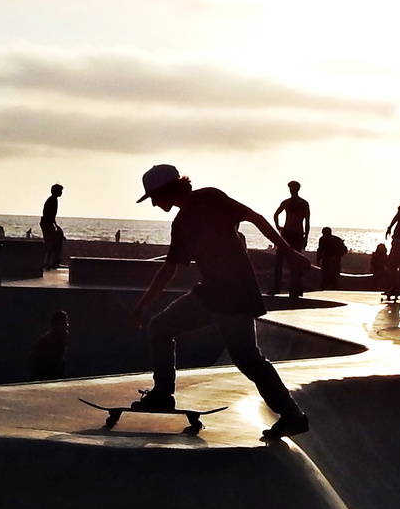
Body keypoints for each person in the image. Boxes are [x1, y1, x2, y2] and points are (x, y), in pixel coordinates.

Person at [128, 164, 312, 440]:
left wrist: (288, 252)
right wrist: (142, 306)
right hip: (211, 293)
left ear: (167, 191)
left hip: (235, 294)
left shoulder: (209, 198)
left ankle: (293, 416)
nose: (154, 204)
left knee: (248, 359)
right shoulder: (180, 224)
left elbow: (256, 218)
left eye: (154, 197)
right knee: (160, 327)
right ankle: (163, 394)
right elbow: (170, 268)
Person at [271, 181, 312, 298]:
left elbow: (307, 221)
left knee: (295, 261)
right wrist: (278, 227)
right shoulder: (289, 202)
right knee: (279, 260)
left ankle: (295, 288)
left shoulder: (302, 203)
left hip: (296, 233)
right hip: (289, 233)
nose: (291, 190)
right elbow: (276, 214)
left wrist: (306, 237)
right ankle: (277, 287)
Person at [28, 310, 69, 381]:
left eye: (65, 324)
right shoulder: (46, 342)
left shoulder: (60, 339)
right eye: (61, 324)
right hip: (43, 380)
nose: (64, 328)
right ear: (54, 325)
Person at [41, 184, 65, 269]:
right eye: (60, 191)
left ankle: (50, 261)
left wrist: (55, 225)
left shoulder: (53, 200)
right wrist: (54, 226)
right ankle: (48, 261)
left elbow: (51, 215)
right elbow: (48, 214)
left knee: (51, 242)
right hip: (47, 223)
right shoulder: (52, 200)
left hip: (48, 223)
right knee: (50, 243)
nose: (61, 192)